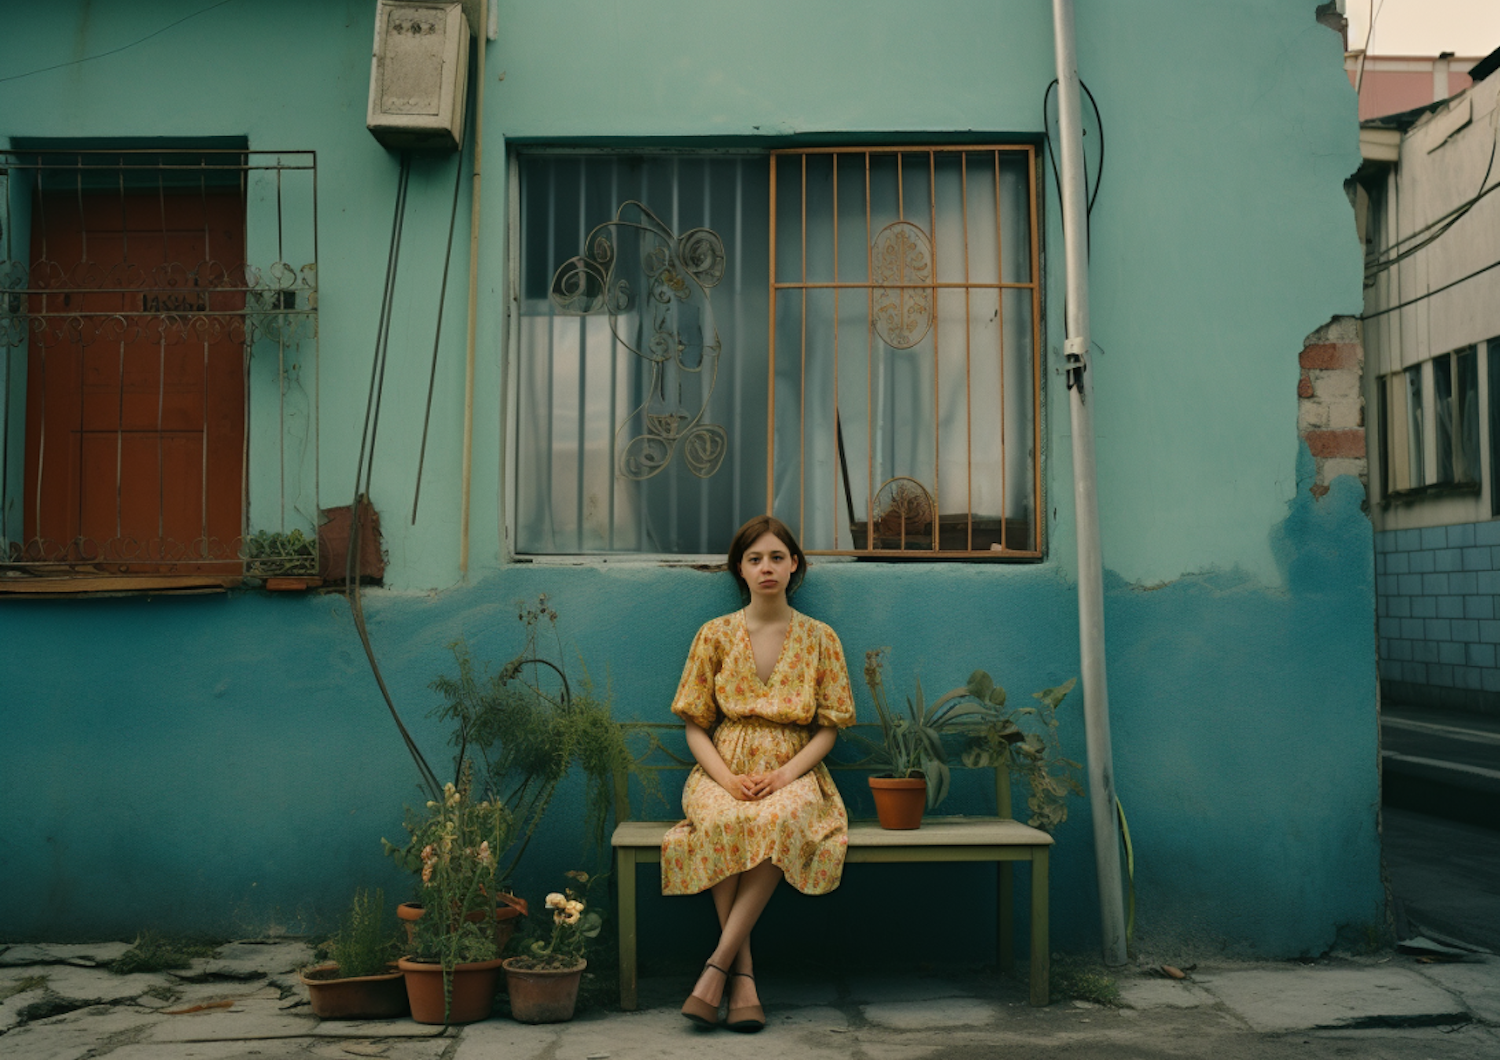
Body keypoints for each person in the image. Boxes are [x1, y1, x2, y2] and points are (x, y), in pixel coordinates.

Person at [661, 515, 856, 1032]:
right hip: (722, 770)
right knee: (724, 821)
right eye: (754, 559)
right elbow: (694, 724)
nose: (766, 567)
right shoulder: (715, 635)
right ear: (740, 571)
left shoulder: (820, 638)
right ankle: (741, 976)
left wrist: (787, 773)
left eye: (776, 557)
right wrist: (724, 780)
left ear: (794, 565)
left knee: (780, 821)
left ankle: (716, 967)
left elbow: (829, 728)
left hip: (793, 773)